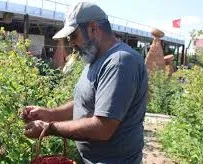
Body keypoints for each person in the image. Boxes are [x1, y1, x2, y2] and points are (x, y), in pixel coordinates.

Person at [21, 2, 148, 164]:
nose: (71, 43)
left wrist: (49, 128)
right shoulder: (95, 60)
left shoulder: (120, 62)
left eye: (74, 35)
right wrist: (50, 114)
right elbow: (86, 101)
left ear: (93, 28)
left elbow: (103, 127)